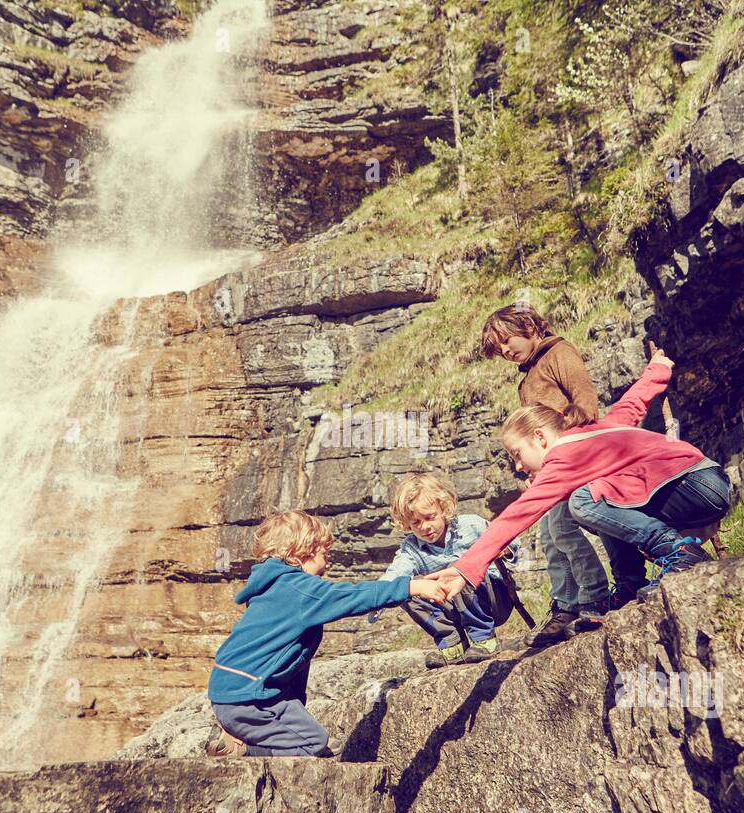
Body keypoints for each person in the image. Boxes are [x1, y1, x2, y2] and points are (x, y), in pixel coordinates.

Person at [427, 350, 731, 609]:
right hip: (708, 483)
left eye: (517, 453)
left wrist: (467, 568)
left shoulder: (562, 457)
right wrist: (658, 369)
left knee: (582, 501)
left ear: (540, 437)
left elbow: (517, 516)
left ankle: (679, 552)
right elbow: (633, 403)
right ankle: (629, 583)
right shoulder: (596, 430)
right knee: (596, 495)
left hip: (691, 486)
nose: (518, 466)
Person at [206, 510, 447, 758]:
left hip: (232, 691)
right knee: (312, 744)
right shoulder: (299, 589)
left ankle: (237, 734)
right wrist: (412, 586)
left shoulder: (272, 589)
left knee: (320, 744)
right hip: (249, 699)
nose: (328, 563)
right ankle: (241, 748)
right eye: (324, 554)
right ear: (302, 553)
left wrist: (298, 709)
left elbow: (285, 663)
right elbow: (355, 596)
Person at [481, 302, 612, 645]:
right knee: (550, 537)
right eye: (499, 350)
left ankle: (594, 597)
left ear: (528, 326)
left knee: (563, 529)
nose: (506, 351)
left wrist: (564, 447)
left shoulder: (559, 353)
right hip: (550, 468)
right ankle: (565, 606)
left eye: (507, 340)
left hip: (573, 459)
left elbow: (587, 406)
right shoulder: (526, 381)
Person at [377, 473, 516, 668]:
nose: (425, 527)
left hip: (494, 601)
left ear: (443, 508)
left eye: (430, 517)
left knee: (457, 569)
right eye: (416, 522)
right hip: (453, 607)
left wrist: (505, 548)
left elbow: (510, 538)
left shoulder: (471, 525)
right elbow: (396, 572)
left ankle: (484, 638)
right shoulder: (411, 548)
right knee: (407, 587)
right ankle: (453, 644)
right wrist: (377, 596)